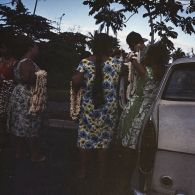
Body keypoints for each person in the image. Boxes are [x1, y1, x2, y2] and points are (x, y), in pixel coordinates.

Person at [117, 31, 169, 180]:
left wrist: (131, 58)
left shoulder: (146, 70)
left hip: (136, 110)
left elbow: (140, 71)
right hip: (150, 111)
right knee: (142, 146)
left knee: (129, 145)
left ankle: (126, 176)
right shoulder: (162, 72)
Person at [71, 33, 123, 179]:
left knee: (85, 138)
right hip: (108, 108)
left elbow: (75, 83)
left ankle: (83, 171)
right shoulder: (117, 64)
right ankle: (102, 173)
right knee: (104, 141)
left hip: (89, 107)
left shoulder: (85, 62)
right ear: (108, 46)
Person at [7, 36, 47, 162]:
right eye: (36, 47)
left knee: (20, 124)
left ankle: (19, 153)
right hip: (27, 97)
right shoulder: (27, 62)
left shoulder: (22, 61)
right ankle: (35, 155)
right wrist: (40, 78)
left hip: (21, 95)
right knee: (31, 125)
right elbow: (26, 79)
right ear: (31, 48)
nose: (38, 50)